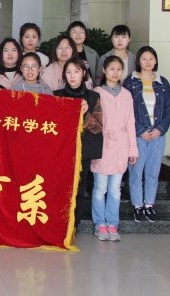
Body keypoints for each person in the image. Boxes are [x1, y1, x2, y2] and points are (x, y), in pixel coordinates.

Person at [123, 46, 170, 223]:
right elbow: (126, 110)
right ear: (138, 61)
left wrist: (160, 129)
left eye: (151, 58)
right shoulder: (130, 82)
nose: (148, 62)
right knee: (136, 171)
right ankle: (137, 205)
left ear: (156, 61)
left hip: (157, 134)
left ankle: (149, 205)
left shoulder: (163, 82)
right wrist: (140, 130)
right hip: (138, 134)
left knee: (153, 171)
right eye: (144, 58)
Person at [92, 56, 138, 242]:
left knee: (115, 189)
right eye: (111, 68)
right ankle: (99, 223)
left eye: (119, 69)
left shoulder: (126, 95)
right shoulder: (96, 93)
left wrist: (133, 150)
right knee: (100, 188)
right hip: (103, 145)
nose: (115, 72)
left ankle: (112, 223)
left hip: (121, 145)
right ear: (104, 70)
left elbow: (131, 123)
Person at [53, 58, 103, 232]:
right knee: (59, 186)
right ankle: (58, 223)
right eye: (68, 72)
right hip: (61, 151)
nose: (72, 76)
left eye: (76, 71)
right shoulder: (56, 95)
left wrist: (86, 113)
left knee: (79, 188)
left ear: (84, 74)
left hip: (83, 150)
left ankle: (74, 225)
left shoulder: (93, 97)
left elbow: (98, 127)